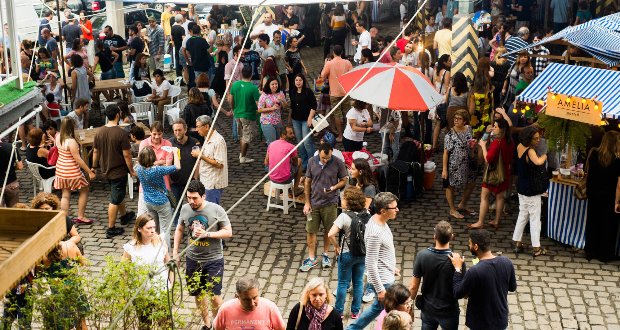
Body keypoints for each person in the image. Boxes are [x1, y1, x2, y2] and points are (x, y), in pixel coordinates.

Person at [173, 180, 233, 330]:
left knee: (215, 297)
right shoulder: (185, 209)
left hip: (214, 260)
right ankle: (207, 324)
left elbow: (228, 232)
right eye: (189, 197)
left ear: (204, 196)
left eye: (195, 198)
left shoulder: (216, 210)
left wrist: (208, 234)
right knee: (198, 294)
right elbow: (180, 229)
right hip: (192, 259)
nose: (191, 201)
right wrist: (175, 253)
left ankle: (219, 325)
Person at [347, 192, 400, 330]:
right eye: (394, 208)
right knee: (382, 310)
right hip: (383, 282)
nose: (397, 210)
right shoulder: (375, 233)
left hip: (386, 275)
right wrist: (380, 290)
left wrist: (391, 267)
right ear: (383, 211)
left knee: (380, 309)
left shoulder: (380, 221)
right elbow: (370, 263)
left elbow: (381, 253)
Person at [448, 229, 517, 330]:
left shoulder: (474, 271)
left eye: (470, 243)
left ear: (476, 247)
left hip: (480, 324)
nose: (469, 246)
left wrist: (458, 269)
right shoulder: (507, 262)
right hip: (500, 321)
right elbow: (512, 287)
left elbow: (458, 293)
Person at [301, 143, 348, 272]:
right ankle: (311, 258)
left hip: (330, 203)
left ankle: (326, 254)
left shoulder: (338, 162)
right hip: (314, 203)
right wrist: (307, 202)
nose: (326, 160)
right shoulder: (312, 161)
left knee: (329, 231)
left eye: (328, 158)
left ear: (331, 153)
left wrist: (334, 187)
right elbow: (307, 182)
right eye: (323, 158)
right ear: (319, 153)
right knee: (311, 231)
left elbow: (344, 179)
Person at [92, 104, 137, 239]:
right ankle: (110, 228)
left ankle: (124, 216)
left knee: (118, 193)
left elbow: (95, 151)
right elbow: (127, 155)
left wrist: (94, 167)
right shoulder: (121, 133)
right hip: (118, 170)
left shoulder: (99, 132)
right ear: (118, 115)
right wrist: (131, 170)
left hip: (106, 169)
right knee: (115, 199)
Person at [121, 213, 170, 329]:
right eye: (149, 228)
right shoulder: (131, 247)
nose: (153, 231)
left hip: (161, 289)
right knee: (144, 324)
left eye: (154, 227)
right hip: (142, 292)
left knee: (165, 323)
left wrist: (170, 283)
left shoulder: (160, 241)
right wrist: (124, 293)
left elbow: (169, 263)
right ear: (139, 229)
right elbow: (123, 271)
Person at [409, 221, 461, 330]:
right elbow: (461, 289)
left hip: (428, 309)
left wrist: (409, 304)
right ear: (452, 237)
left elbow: (413, 286)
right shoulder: (457, 260)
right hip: (449, 311)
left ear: (434, 237)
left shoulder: (422, 256)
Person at [327, 187, 369, 319]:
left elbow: (330, 234)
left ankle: (338, 311)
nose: (341, 200)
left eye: (343, 199)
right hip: (362, 254)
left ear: (349, 202)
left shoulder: (344, 216)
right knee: (358, 282)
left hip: (346, 254)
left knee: (342, 283)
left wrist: (336, 246)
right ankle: (355, 312)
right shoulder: (367, 214)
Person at [469, 118, 515, 229]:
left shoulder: (497, 143)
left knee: (484, 197)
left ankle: (480, 222)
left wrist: (483, 147)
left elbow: (488, 159)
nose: (493, 128)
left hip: (493, 173)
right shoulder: (510, 141)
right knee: (500, 197)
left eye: (495, 126)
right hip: (505, 173)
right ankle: (496, 221)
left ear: (502, 129)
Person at [512, 125, 548, 257]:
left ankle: (517, 242)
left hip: (521, 187)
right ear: (529, 138)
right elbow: (538, 162)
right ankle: (536, 247)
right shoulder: (530, 151)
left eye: (539, 138)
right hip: (531, 189)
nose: (538, 141)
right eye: (535, 139)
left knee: (523, 215)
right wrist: (545, 155)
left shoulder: (519, 146)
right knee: (534, 218)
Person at [585, 131, 620, 262]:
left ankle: (590, 251)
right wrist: (617, 201)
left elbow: (589, 174)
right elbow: (619, 185)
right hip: (609, 196)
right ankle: (605, 254)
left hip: (594, 193)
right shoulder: (617, 160)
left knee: (592, 222)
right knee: (608, 226)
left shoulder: (594, 154)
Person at [54, 117, 95, 224]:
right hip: (72, 170)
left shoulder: (57, 137)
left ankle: (65, 218)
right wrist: (89, 171)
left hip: (60, 169)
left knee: (65, 194)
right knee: (84, 190)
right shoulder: (71, 142)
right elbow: (78, 159)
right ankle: (81, 216)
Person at [135, 145, 180, 242]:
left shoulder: (138, 169)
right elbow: (177, 167)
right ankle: (165, 253)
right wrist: (175, 152)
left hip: (148, 202)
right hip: (161, 202)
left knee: (153, 229)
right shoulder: (157, 170)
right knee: (165, 231)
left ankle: (154, 249)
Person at [213, 276, 286, 330]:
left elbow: (281, 328)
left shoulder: (270, 308)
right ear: (237, 296)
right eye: (246, 300)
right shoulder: (225, 310)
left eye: (254, 297)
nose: (252, 303)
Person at [442, 109, 477, 220]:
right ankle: (452, 209)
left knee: (471, 183)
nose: (456, 120)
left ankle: (462, 204)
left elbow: (470, 144)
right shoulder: (450, 134)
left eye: (459, 119)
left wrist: (472, 148)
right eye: (455, 118)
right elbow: (446, 153)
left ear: (465, 121)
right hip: (454, 165)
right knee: (450, 186)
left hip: (468, 163)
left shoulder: (469, 129)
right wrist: (444, 169)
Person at [192, 115, 229, 205]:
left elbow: (219, 164)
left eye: (198, 127)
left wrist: (200, 155)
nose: (196, 130)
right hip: (206, 180)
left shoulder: (218, 141)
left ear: (206, 126)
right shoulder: (207, 137)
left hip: (213, 183)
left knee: (211, 211)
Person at [138, 121, 173, 214]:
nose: (157, 136)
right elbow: (142, 164)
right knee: (143, 216)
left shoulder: (168, 144)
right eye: (154, 134)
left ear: (162, 133)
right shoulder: (144, 143)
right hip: (146, 187)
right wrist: (161, 162)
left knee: (163, 216)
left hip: (163, 186)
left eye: (159, 134)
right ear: (150, 132)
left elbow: (168, 166)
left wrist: (152, 164)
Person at [320, 45, 352, 142]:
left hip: (334, 92)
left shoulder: (329, 64)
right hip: (345, 92)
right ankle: (348, 133)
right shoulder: (347, 62)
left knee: (337, 114)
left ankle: (340, 135)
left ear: (333, 52)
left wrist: (325, 64)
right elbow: (352, 75)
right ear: (342, 52)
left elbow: (323, 76)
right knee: (347, 113)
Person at [229, 66, 261, 164]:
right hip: (248, 116)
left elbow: (231, 100)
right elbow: (258, 105)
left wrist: (233, 110)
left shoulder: (235, 85)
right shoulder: (253, 88)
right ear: (251, 74)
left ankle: (242, 154)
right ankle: (242, 157)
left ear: (241, 74)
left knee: (243, 136)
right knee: (246, 137)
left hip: (237, 114)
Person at [168, 118, 201, 207]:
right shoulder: (169, 143)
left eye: (179, 130)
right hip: (174, 182)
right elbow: (167, 162)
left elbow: (198, 161)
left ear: (185, 130)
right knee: (175, 208)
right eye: (175, 130)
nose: (177, 132)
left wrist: (195, 178)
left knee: (194, 206)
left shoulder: (194, 142)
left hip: (190, 182)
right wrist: (169, 179)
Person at [288, 73, 317, 169]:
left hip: (306, 120)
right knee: (300, 143)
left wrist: (309, 118)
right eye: (296, 80)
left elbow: (314, 106)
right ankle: (304, 163)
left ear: (303, 81)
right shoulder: (292, 92)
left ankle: (312, 162)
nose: (298, 82)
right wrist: (289, 120)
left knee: (307, 142)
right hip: (295, 120)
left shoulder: (308, 92)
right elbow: (291, 107)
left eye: (300, 80)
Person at [265, 126, 303, 193]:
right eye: (290, 134)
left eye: (293, 133)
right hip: (285, 179)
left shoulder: (271, 144)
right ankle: (295, 190)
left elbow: (266, 162)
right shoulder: (292, 147)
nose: (293, 135)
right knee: (299, 160)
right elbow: (296, 163)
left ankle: (279, 189)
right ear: (283, 135)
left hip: (272, 177)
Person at [258, 77, 287, 145]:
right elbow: (259, 110)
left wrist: (282, 100)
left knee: (279, 142)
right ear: (269, 85)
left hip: (278, 121)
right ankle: (271, 156)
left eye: (276, 84)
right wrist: (271, 108)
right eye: (272, 84)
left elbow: (285, 106)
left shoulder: (280, 93)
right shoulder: (264, 95)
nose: (275, 86)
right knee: (272, 144)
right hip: (267, 122)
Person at [0, 140, 23, 207]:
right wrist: (10, 168)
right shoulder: (11, 147)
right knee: (14, 211)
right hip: (11, 183)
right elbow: (20, 166)